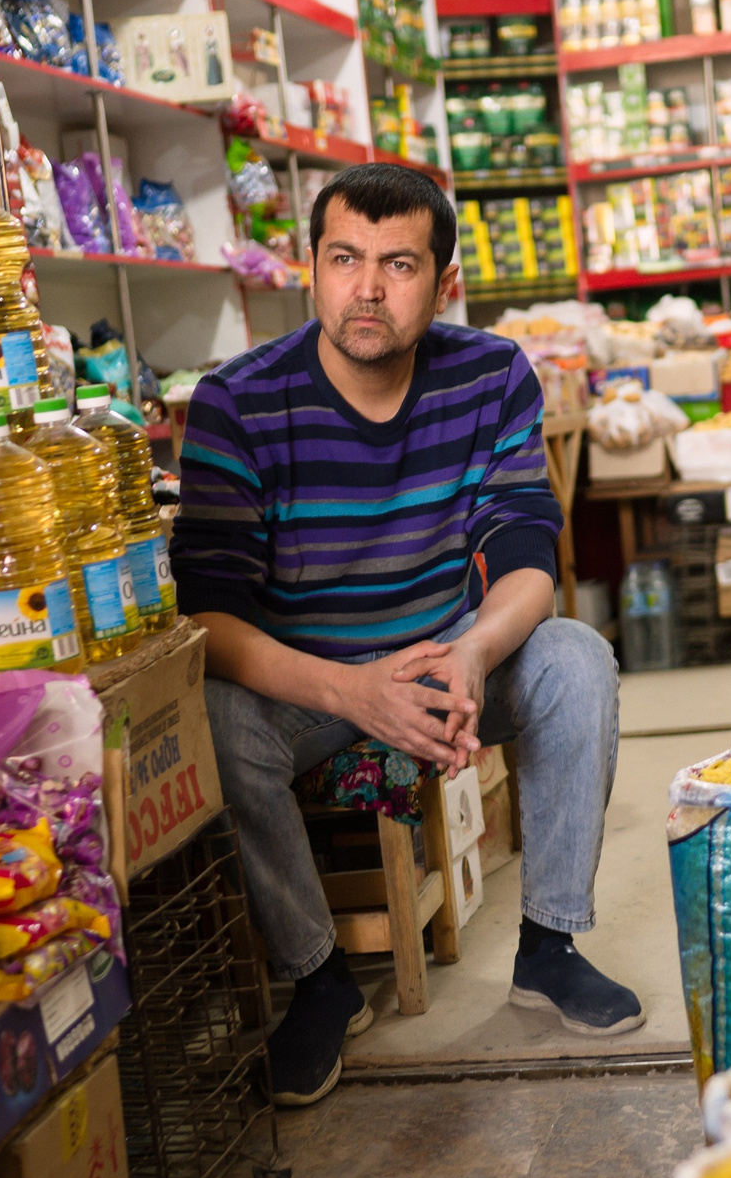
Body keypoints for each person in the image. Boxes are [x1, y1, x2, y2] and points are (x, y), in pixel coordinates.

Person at [173, 163, 644, 1106]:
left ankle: (549, 946)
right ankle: (319, 979)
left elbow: (525, 554)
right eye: (345, 259)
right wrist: (350, 690)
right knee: (215, 719)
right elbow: (208, 619)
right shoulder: (240, 402)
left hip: (443, 665)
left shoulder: (489, 373)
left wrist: (471, 651)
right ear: (311, 265)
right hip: (304, 688)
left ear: (442, 279)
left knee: (575, 659)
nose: (368, 288)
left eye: (399, 264)